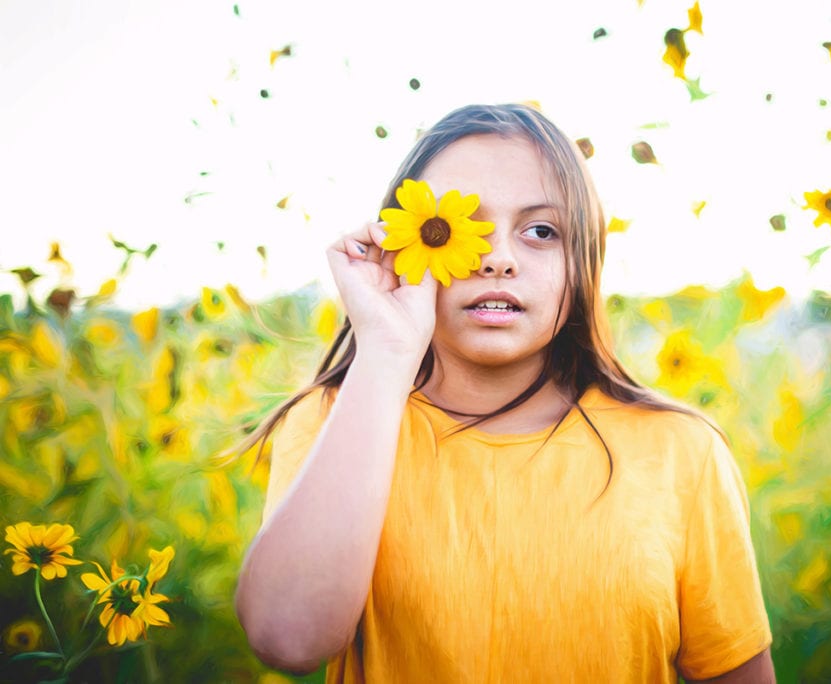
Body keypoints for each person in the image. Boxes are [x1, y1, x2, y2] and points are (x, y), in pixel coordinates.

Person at [234, 103, 774, 683]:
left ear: (583, 264)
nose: (498, 259)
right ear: (402, 246)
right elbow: (287, 638)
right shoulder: (341, 423)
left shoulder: (679, 452)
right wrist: (386, 352)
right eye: (456, 231)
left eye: (541, 231)